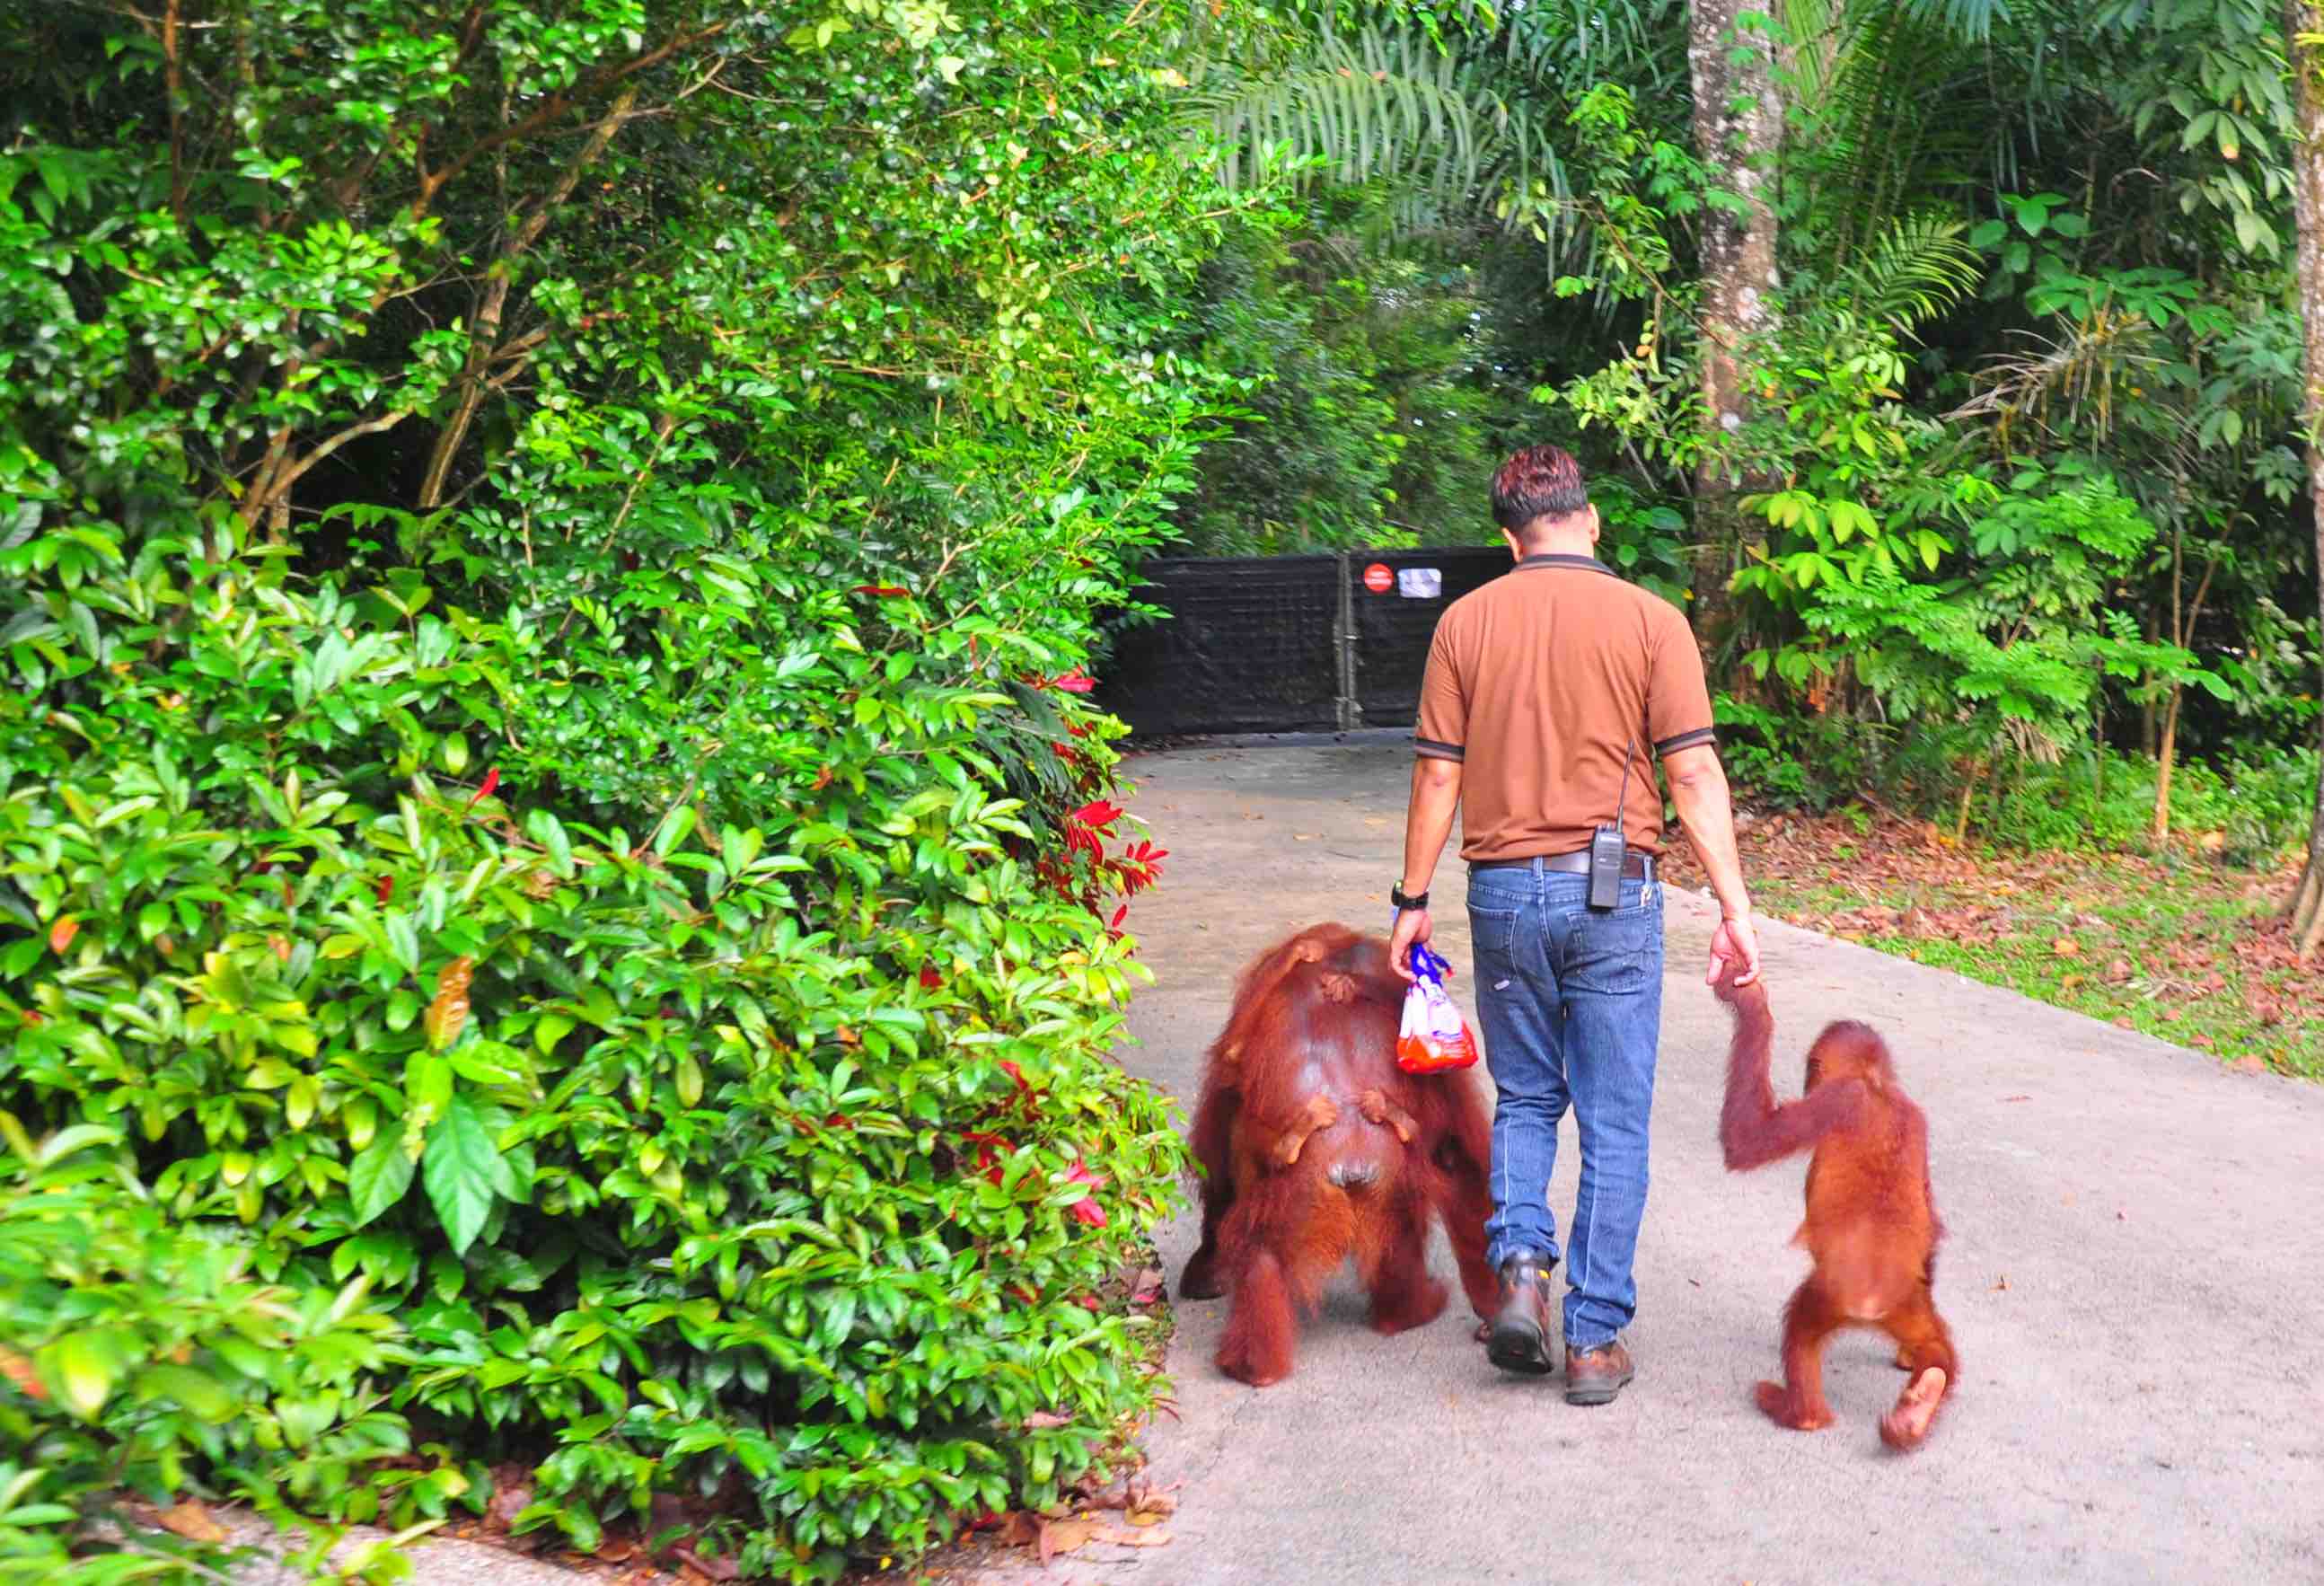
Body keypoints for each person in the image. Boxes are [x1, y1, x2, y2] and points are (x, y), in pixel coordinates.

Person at [1387, 444, 1760, 1406]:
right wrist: (1732, 903)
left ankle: (1519, 1271)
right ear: (1589, 521)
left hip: (1504, 894)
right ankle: (1594, 1339)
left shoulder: (1464, 623)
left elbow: (1437, 773)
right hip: (1611, 894)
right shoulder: (1651, 620)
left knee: (1521, 1097)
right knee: (1614, 1116)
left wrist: (1410, 898)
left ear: (1509, 540)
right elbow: (1690, 773)